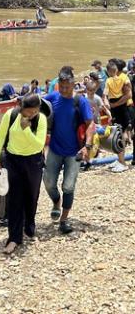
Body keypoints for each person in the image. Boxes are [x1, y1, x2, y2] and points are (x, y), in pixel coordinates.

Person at [0, 93, 47, 254]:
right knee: (14, 200)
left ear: (37, 110)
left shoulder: (41, 119)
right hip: (13, 160)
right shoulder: (11, 114)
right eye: (25, 111)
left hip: (33, 161)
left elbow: (38, 145)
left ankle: (29, 228)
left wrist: (27, 129)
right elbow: (0, 138)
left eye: (31, 112)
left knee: (32, 196)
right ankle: (14, 238)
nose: (27, 114)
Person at [43, 66, 94, 234]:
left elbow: (90, 124)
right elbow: (37, 105)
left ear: (73, 84)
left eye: (67, 86)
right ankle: (56, 202)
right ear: (59, 84)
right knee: (49, 183)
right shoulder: (53, 97)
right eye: (62, 86)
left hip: (74, 153)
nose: (64, 90)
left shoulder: (81, 101)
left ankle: (64, 220)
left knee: (68, 187)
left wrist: (87, 146)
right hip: (55, 149)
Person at [103, 59, 132, 173]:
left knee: (120, 134)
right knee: (118, 132)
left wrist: (110, 104)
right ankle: (120, 159)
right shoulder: (123, 78)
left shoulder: (111, 80)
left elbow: (128, 94)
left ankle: (122, 162)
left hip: (119, 107)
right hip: (121, 107)